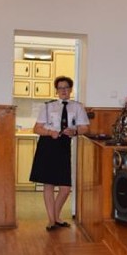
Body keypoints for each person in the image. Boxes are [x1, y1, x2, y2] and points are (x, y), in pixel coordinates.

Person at [29, 76, 90, 231]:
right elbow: (36, 128)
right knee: (48, 184)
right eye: (60, 88)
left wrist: (75, 131)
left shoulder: (77, 107)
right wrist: (49, 132)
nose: (63, 90)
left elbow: (84, 128)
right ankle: (52, 220)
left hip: (64, 145)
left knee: (65, 188)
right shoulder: (48, 107)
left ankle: (55, 216)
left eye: (66, 87)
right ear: (56, 91)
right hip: (48, 145)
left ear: (70, 90)